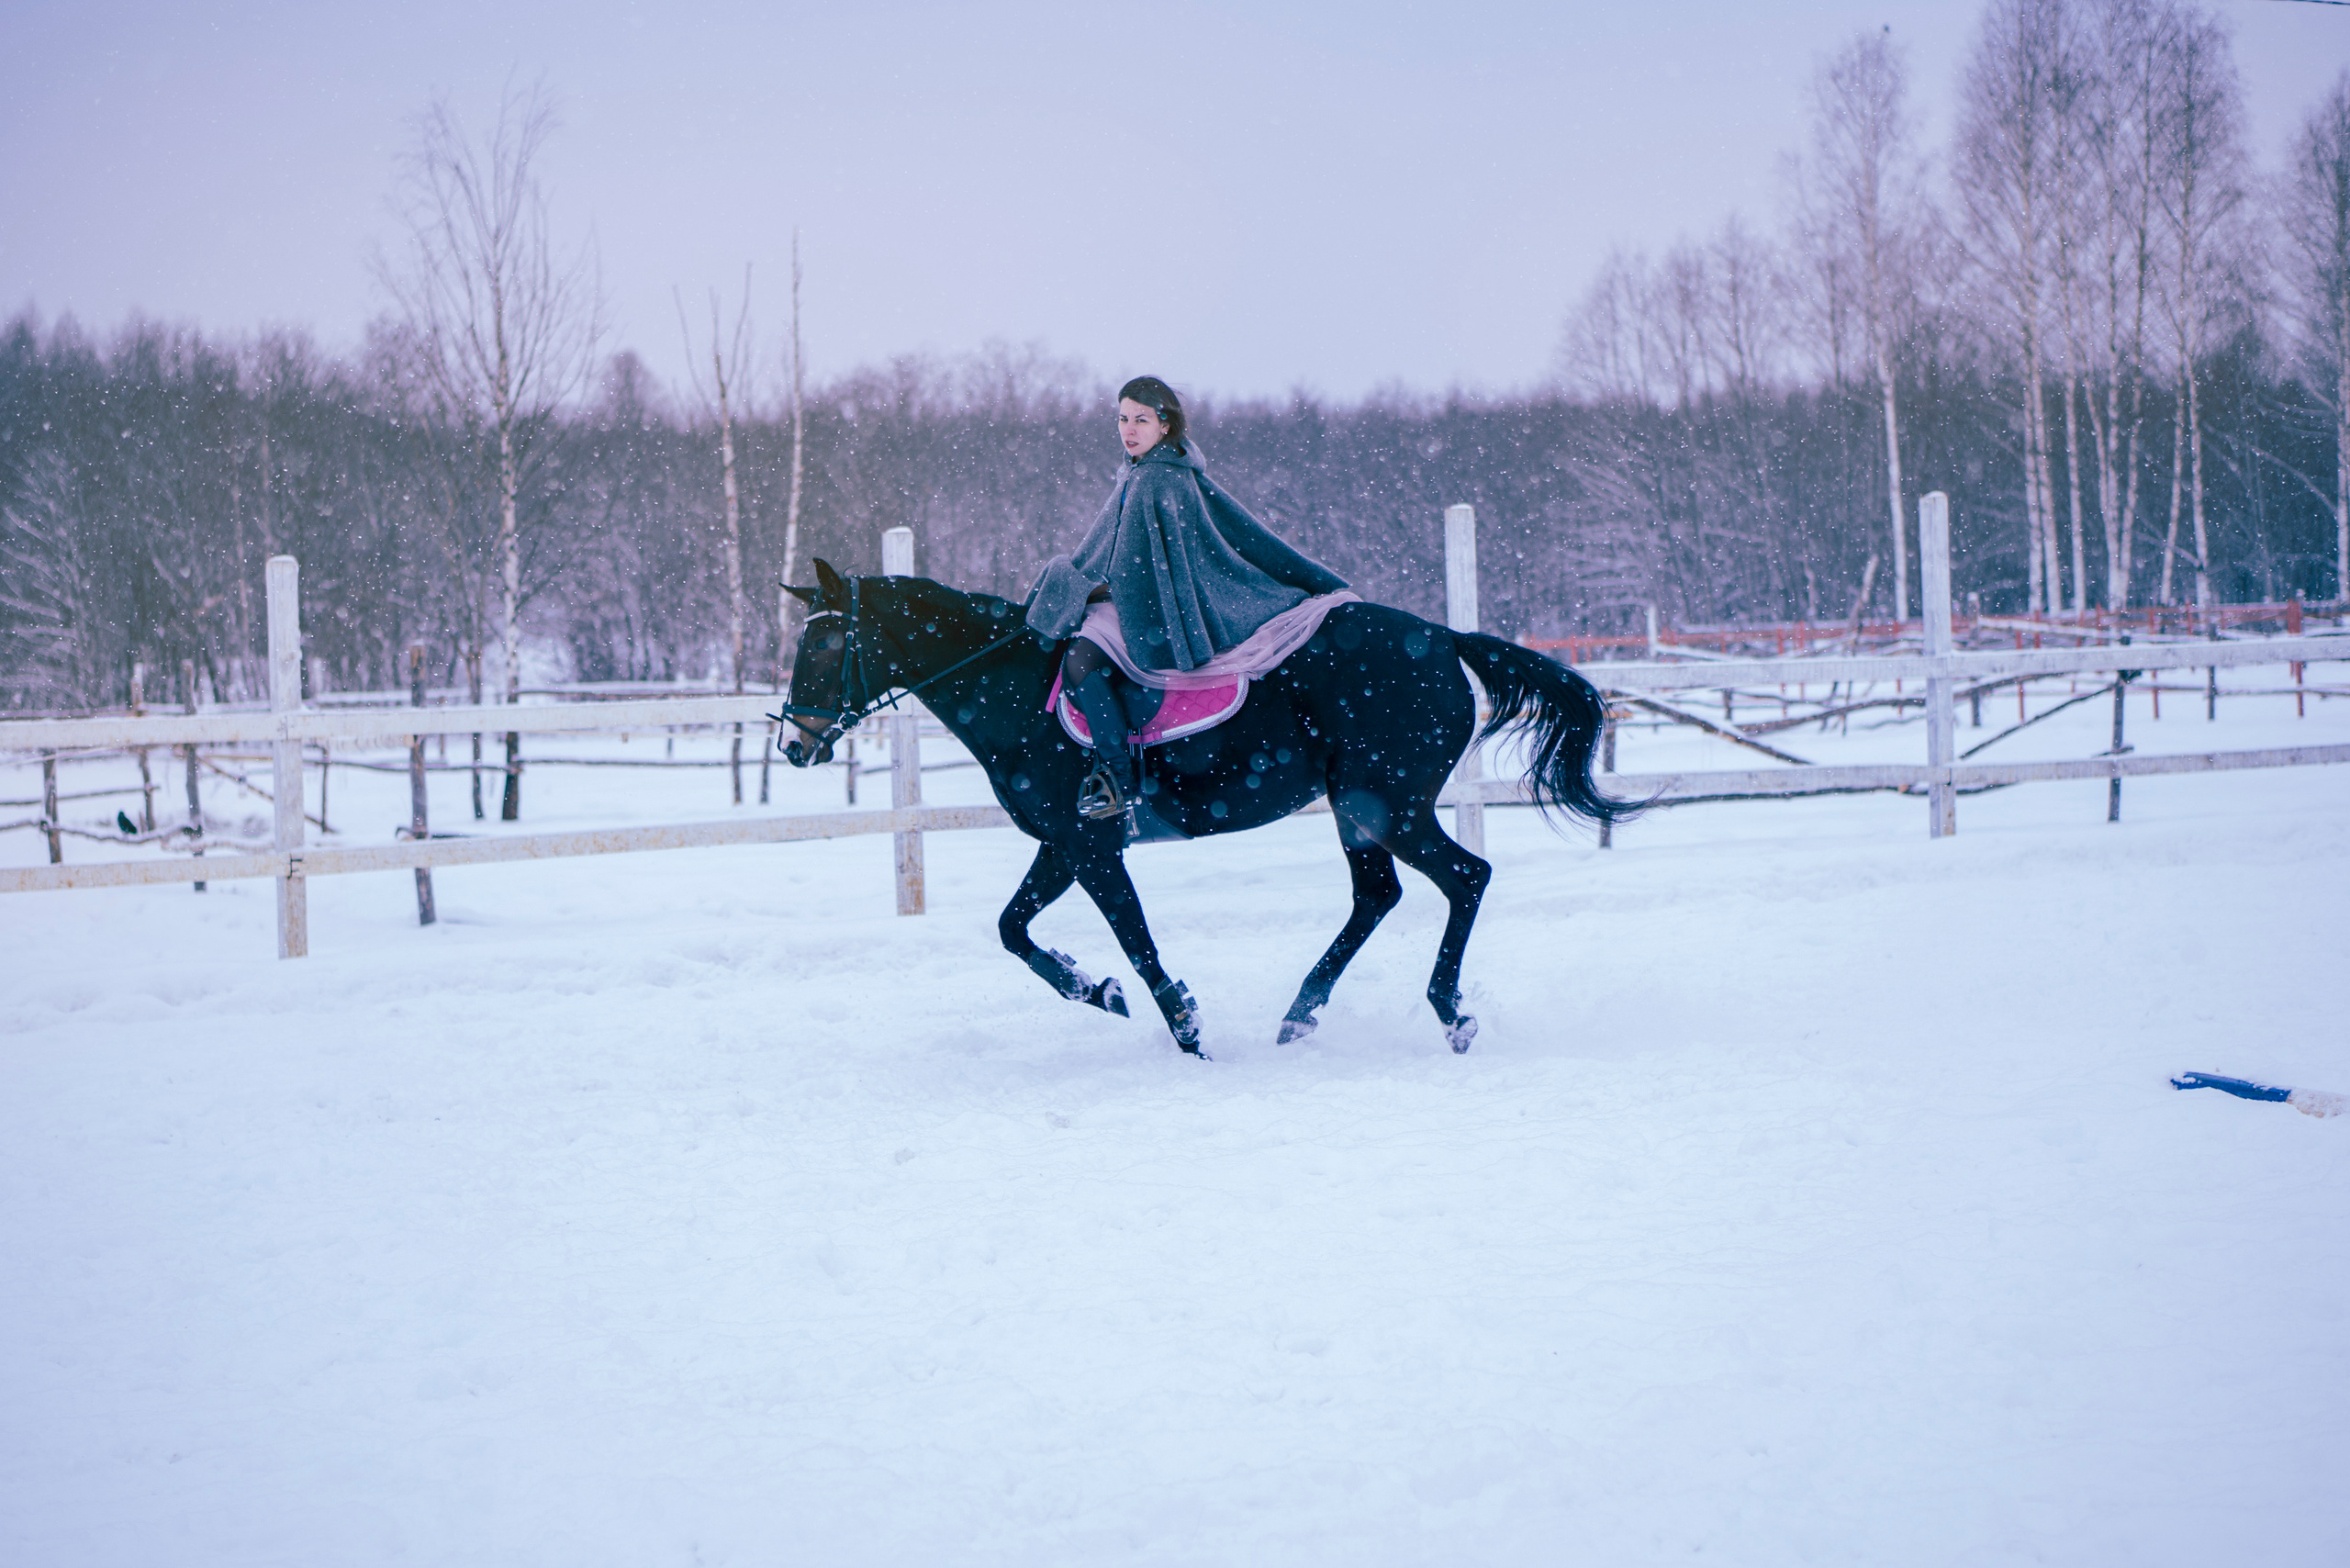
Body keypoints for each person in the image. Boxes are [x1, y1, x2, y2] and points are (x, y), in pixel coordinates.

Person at [1027, 375, 1348, 821]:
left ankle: (1115, 776)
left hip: (1157, 611)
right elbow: (1113, 552)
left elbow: (1198, 553)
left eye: (1141, 419)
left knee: (1081, 661)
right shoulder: (1139, 472)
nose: (1129, 429)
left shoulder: (1159, 478)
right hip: (1132, 601)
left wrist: (1081, 587)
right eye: (1123, 419)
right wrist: (1079, 579)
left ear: (1165, 424)